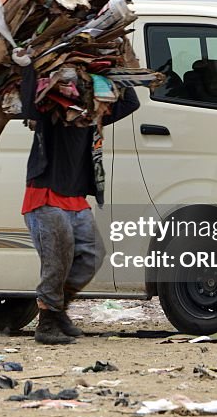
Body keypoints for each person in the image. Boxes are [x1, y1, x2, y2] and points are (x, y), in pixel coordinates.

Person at [19, 65, 140, 344]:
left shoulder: (93, 115)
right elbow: (28, 106)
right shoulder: (50, 112)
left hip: (75, 200)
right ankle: (46, 322)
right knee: (57, 261)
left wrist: (112, 67)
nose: (70, 88)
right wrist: (28, 67)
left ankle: (58, 310)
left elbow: (131, 102)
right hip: (45, 197)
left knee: (92, 256)